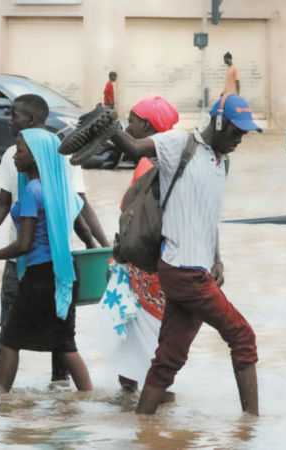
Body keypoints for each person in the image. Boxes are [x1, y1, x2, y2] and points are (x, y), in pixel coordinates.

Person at [109, 94, 260, 415]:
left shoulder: (222, 162)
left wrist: (217, 259)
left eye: (244, 133)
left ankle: (143, 426)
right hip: (184, 271)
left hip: (195, 272)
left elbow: (209, 219)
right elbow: (135, 149)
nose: (239, 139)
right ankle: (252, 427)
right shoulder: (180, 143)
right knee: (243, 337)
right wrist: (107, 124)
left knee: (169, 359)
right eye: (235, 130)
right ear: (218, 123)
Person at [0, 94, 109, 383]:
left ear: (30, 119)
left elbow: (79, 205)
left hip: (37, 263)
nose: (9, 120)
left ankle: (4, 401)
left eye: (13, 115)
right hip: (55, 265)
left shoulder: (61, 158)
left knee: (13, 337)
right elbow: (5, 204)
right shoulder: (16, 157)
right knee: (56, 339)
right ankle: (72, 406)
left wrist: (103, 249)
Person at [0, 128, 93, 393]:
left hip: (40, 275)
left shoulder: (31, 191)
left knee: (10, 339)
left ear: (36, 157)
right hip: (64, 272)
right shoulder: (61, 189)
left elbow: (23, 244)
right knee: (64, 343)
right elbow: (84, 230)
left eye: (20, 151)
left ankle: (0, 401)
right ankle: (87, 398)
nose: (14, 157)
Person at [100, 97, 181, 401]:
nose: (128, 125)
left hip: (144, 271)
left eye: (132, 119)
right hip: (164, 267)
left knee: (144, 353)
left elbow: (131, 215)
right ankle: (154, 429)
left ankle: (148, 423)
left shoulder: (147, 164)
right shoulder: (170, 163)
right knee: (155, 349)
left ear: (147, 125)